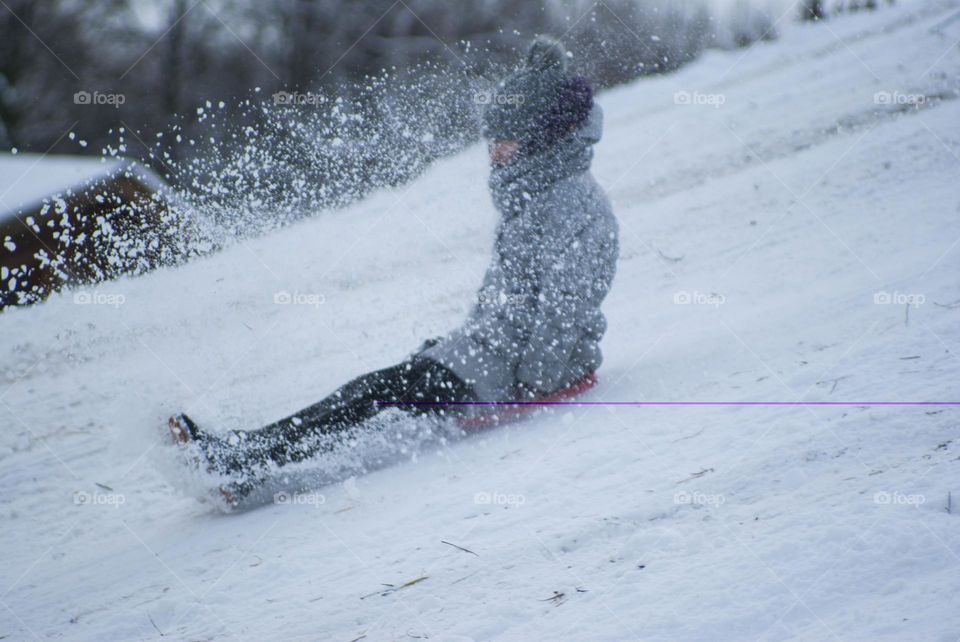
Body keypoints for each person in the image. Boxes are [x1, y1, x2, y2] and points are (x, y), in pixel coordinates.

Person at [169, 36, 619, 505]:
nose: (494, 151)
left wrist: (525, 388)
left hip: (526, 373)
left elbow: (561, 319)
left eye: (504, 140)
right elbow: (500, 300)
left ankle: (241, 461)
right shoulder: (532, 198)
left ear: (540, 139)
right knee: (374, 391)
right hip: (486, 356)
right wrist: (452, 349)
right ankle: (248, 462)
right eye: (492, 139)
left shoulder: (577, 212)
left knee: (373, 394)